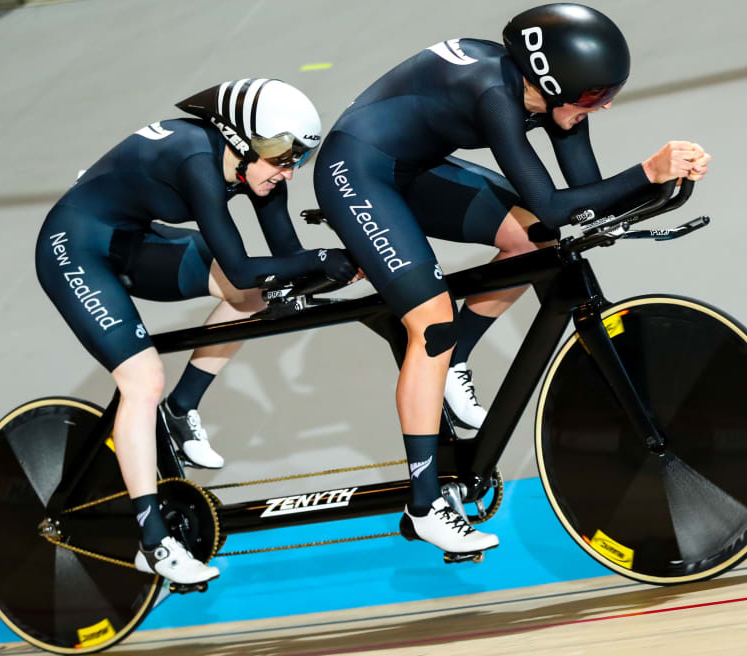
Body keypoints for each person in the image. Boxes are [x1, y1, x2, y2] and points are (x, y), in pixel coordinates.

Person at [313, 3, 711, 557]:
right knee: (431, 321)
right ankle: (426, 505)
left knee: (534, 241)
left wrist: (663, 184)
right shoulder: (494, 93)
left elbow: (585, 199)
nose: (603, 106)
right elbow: (551, 202)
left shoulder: (559, 101)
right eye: (594, 97)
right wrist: (647, 172)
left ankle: (455, 361)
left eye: (606, 95)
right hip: (356, 171)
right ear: (550, 83)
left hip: (416, 167)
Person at [35, 78, 357, 584]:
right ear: (239, 140)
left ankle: (181, 412)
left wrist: (342, 262)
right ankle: (154, 542)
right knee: (142, 381)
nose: (288, 172)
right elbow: (245, 264)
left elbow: (284, 259)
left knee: (251, 299)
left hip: (132, 239)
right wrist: (321, 259)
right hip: (75, 247)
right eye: (281, 160)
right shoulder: (196, 162)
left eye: (296, 160)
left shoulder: (257, 165)